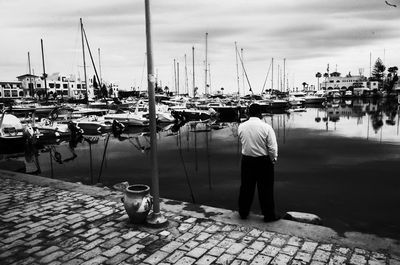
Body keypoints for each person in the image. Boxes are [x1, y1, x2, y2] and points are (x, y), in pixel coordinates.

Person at [238, 103, 279, 222]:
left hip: (246, 160)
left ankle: (243, 212)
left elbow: (242, 141)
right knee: (265, 189)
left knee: (246, 187)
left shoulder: (241, 126)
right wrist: (273, 159)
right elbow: (272, 148)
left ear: (249, 113)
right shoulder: (266, 127)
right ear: (260, 114)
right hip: (263, 161)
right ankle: (268, 215)